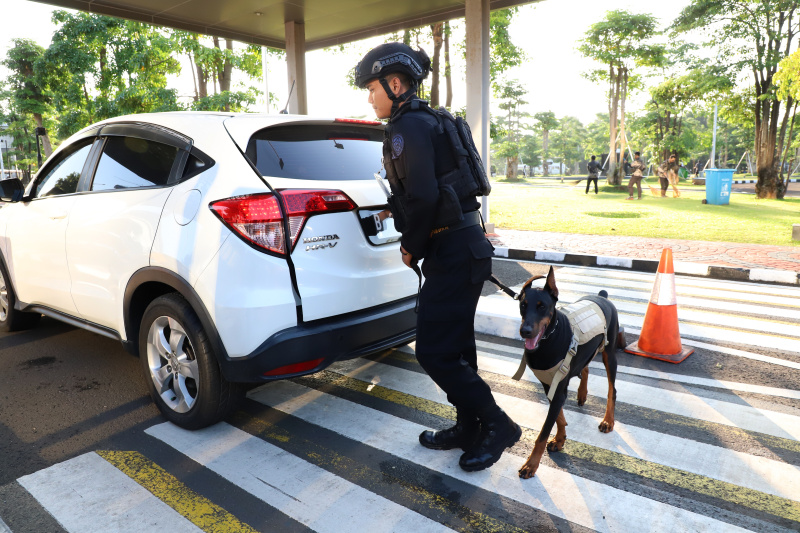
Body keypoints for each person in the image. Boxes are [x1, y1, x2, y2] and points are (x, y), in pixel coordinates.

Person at [355, 43, 521, 472]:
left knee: (432, 350)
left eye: (372, 88)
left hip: (449, 249)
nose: (369, 97)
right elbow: (436, 190)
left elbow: (427, 195)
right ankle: (468, 426)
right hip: (466, 245)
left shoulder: (404, 127)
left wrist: (411, 243)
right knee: (458, 346)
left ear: (395, 84)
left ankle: (498, 425)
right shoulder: (432, 119)